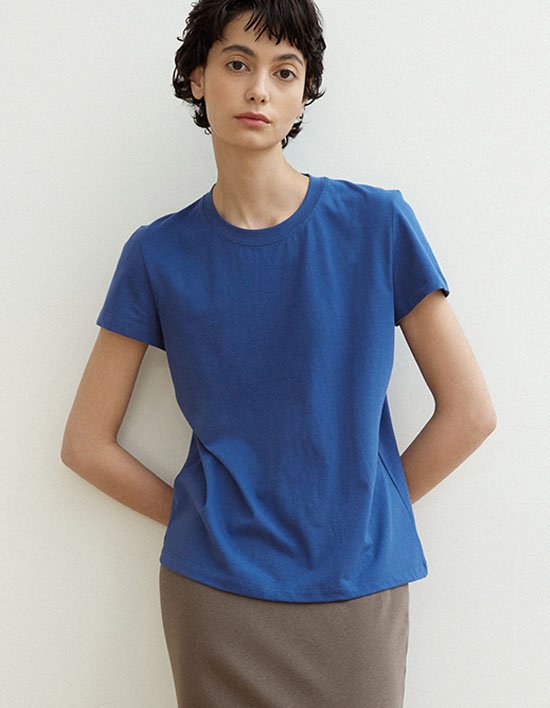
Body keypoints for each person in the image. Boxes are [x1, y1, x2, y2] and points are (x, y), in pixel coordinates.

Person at [61, 1, 497, 706]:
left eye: (284, 71)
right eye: (238, 63)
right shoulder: (157, 254)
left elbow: (471, 413)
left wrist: (361, 513)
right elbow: (85, 444)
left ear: (304, 92)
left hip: (357, 593)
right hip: (216, 598)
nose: (259, 89)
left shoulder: (377, 224)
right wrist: (207, 524)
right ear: (198, 77)